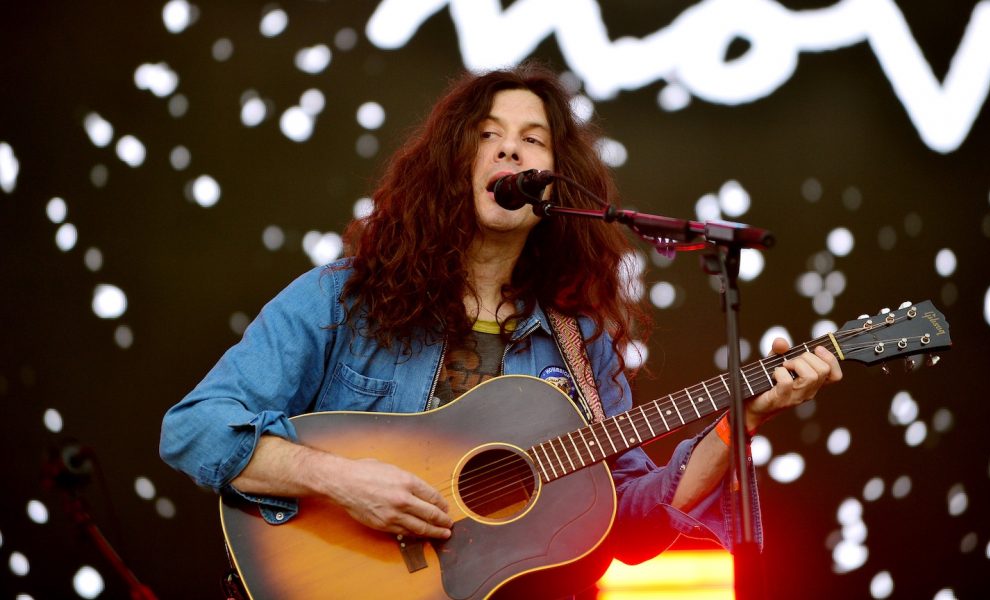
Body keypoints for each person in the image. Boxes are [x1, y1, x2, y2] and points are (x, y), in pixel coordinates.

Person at [159, 63, 842, 596]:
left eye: (532, 141)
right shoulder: (343, 298)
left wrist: (737, 423)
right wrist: (341, 480)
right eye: (487, 137)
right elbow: (195, 428)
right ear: (452, 165)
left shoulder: (580, 347)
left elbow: (628, 524)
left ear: (555, 185)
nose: (509, 153)